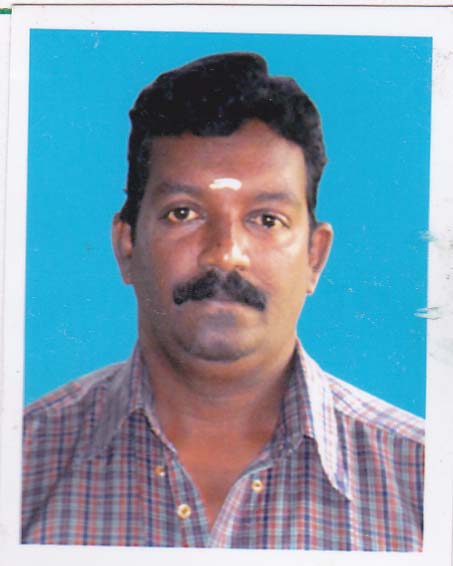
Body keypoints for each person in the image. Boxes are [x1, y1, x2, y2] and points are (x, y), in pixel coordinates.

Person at [22, 52, 424, 550]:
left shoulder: (425, 482)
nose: (225, 254)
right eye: (183, 213)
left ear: (315, 258)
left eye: (267, 220)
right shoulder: (21, 465)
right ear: (127, 247)